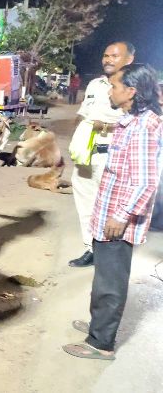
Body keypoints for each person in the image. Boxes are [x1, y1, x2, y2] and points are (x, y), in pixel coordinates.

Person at [63, 63, 162, 360]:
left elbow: (145, 182)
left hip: (118, 219)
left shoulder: (144, 127)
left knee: (110, 283)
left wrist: (121, 216)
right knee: (104, 278)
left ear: (131, 91)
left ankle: (101, 343)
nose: (110, 91)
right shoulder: (131, 120)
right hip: (110, 212)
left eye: (115, 87)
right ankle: (99, 326)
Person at [69, 42, 135, 268]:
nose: (108, 59)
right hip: (86, 155)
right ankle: (91, 248)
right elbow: (83, 114)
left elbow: (138, 123)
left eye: (114, 56)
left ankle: (112, 252)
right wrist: (76, 140)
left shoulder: (132, 87)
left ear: (129, 60)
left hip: (112, 156)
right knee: (86, 204)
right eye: (105, 55)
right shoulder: (95, 84)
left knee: (112, 207)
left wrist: (105, 127)